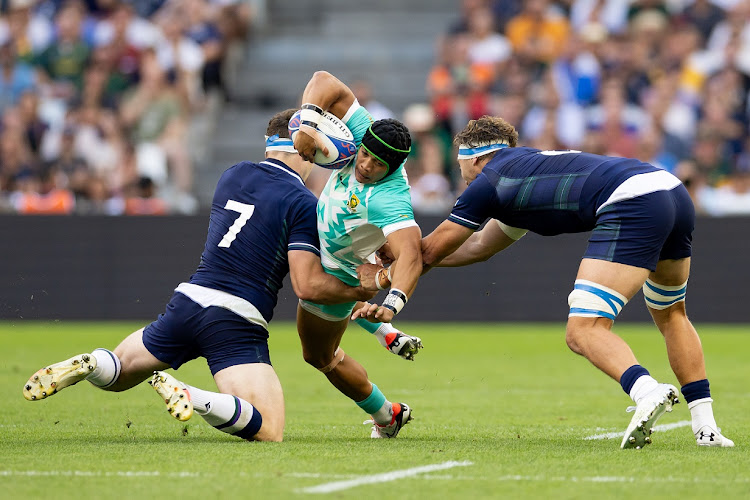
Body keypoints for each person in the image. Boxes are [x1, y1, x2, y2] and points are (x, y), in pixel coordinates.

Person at [355, 115, 734, 449]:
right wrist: (410, 258)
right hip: (669, 190)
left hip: (631, 201)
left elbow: (432, 252)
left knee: (582, 331)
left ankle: (645, 390)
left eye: (462, 166)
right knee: (671, 314)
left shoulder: (488, 182)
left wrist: (387, 274)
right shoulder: (524, 169)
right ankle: (706, 427)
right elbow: (478, 247)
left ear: (474, 159)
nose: (463, 176)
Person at [21, 109, 377, 442]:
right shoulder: (302, 202)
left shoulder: (232, 175)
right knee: (269, 427)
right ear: (302, 146)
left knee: (117, 373)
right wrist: (364, 286)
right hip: (235, 317)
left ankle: (92, 362)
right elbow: (307, 285)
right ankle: (191, 395)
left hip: (189, 301)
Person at [291, 71, 423, 438]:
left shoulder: (389, 197)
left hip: (336, 274)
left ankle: (388, 413)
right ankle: (385, 334)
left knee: (319, 357)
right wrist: (308, 123)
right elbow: (323, 81)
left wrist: (390, 296)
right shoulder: (367, 132)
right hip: (317, 238)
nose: (364, 165)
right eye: (364, 155)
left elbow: (411, 254)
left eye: (377, 165)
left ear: (393, 168)